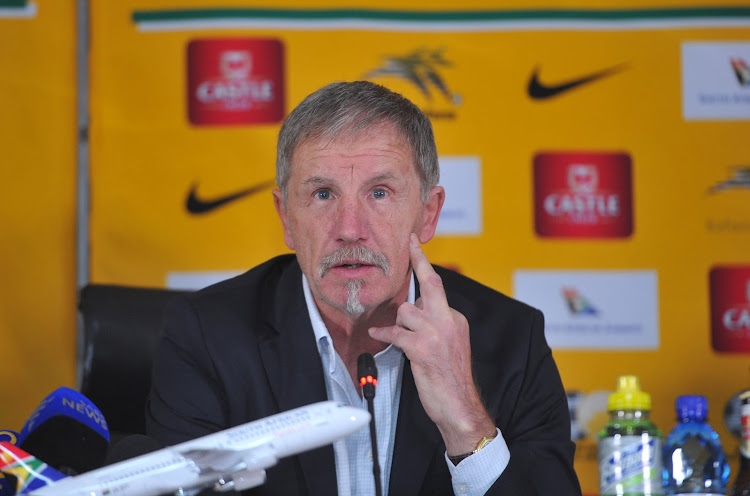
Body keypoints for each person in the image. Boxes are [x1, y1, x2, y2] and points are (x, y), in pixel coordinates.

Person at [146, 80, 581, 495]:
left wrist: (465, 421)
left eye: (379, 193)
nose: (350, 230)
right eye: (322, 194)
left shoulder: (511, 341)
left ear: (428, 214)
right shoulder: (207, 336)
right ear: (286, 219)